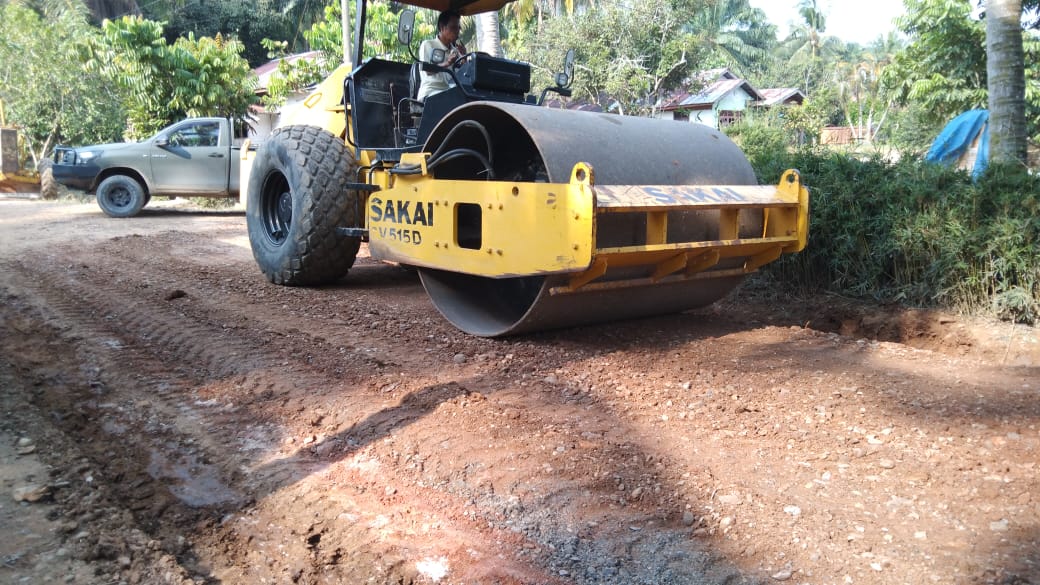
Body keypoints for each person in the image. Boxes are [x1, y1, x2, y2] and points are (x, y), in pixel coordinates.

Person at [417, 10, 467, 102]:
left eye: (458, 28)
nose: (457, 31)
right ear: (442, 27)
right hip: (431, 92)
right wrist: (447, 63)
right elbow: (428, 70)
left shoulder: (456, 51)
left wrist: (464, 59)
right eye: (453, 28)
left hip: (449, 92)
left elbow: (463, 78)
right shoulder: (428, 45)